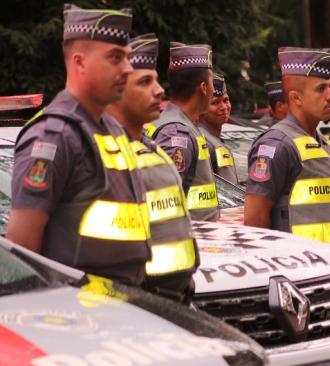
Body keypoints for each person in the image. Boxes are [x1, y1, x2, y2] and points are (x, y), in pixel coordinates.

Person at [7, 4, 152, 286]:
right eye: (115, 57)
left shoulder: (111, 129)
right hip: (80, 316)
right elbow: (23, 250)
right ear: (79, 62)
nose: (127, 68)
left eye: (127, 58)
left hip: (124, 307)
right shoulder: (53, 136)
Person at [106, 33, 198, 297]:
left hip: (174, 298)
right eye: (145, 82)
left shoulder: (151, 147)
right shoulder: (105, 154)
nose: (159, 91)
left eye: (157, 80)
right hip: (136, 303)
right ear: (117, 91)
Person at [244, 47, 330, 249]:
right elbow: (255, 220)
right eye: (321, 88)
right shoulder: (276, 144)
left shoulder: (326, 144)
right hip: (300, 271)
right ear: (296, 98)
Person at [145, 42, 220, 220]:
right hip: (194, 239)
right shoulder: (177, 133)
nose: (212, 91)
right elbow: (164, 203)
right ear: (203, 88)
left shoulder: (178, 125)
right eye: (211, 83)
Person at [199, 74, 239, 184]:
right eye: (215, 102)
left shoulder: (214, 139)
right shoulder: (202, 141)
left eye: (226, 100)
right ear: (201, 106)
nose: (223, 107)